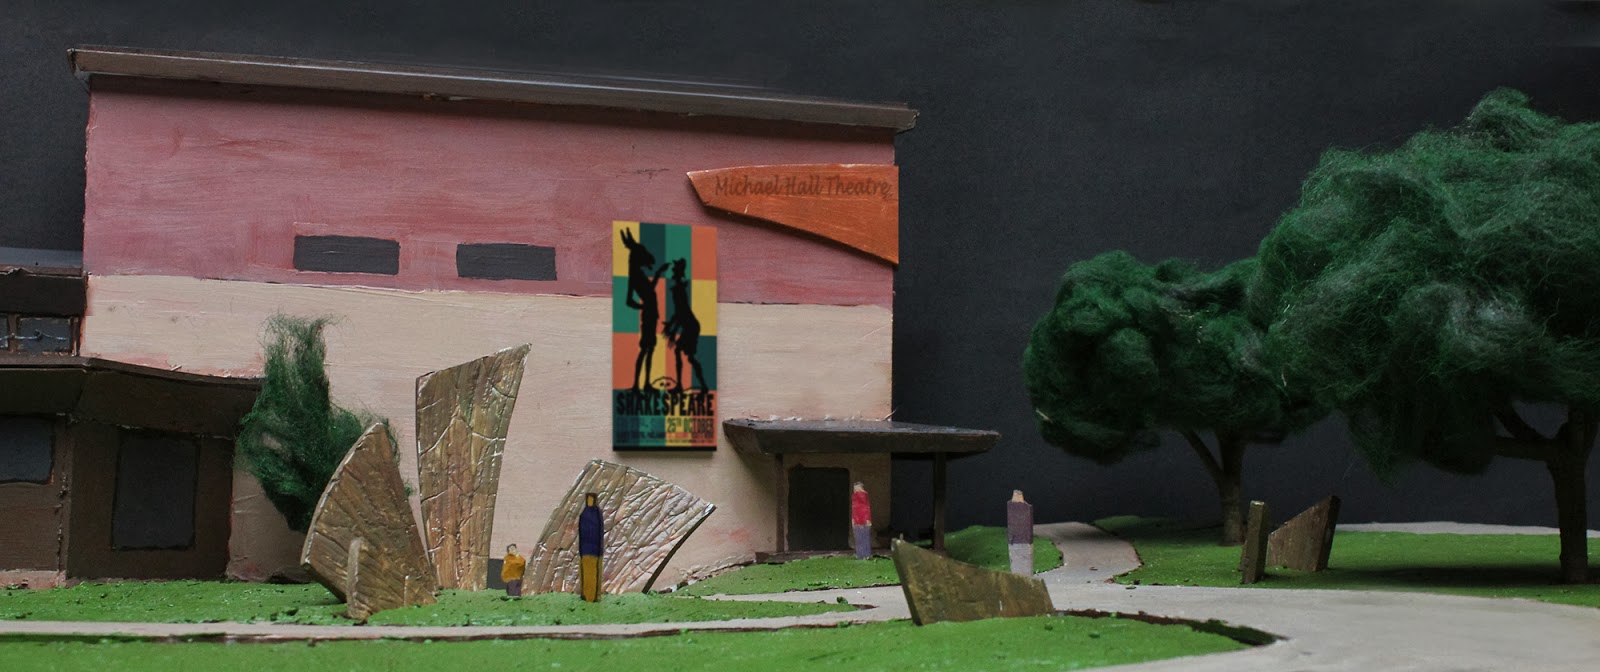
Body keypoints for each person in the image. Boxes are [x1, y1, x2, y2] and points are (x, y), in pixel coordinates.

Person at [851, 482, 872, 559]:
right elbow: (854, 509)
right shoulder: (855, 497)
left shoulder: (862, 495)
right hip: (857, 518)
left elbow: (866, 508)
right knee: (859, 537)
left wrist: (867, 519)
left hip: (863, 518)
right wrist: (853, 519)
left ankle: (865, 554)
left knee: (864, 537)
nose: (855, 490)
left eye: (856, 488)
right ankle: (861, 554)